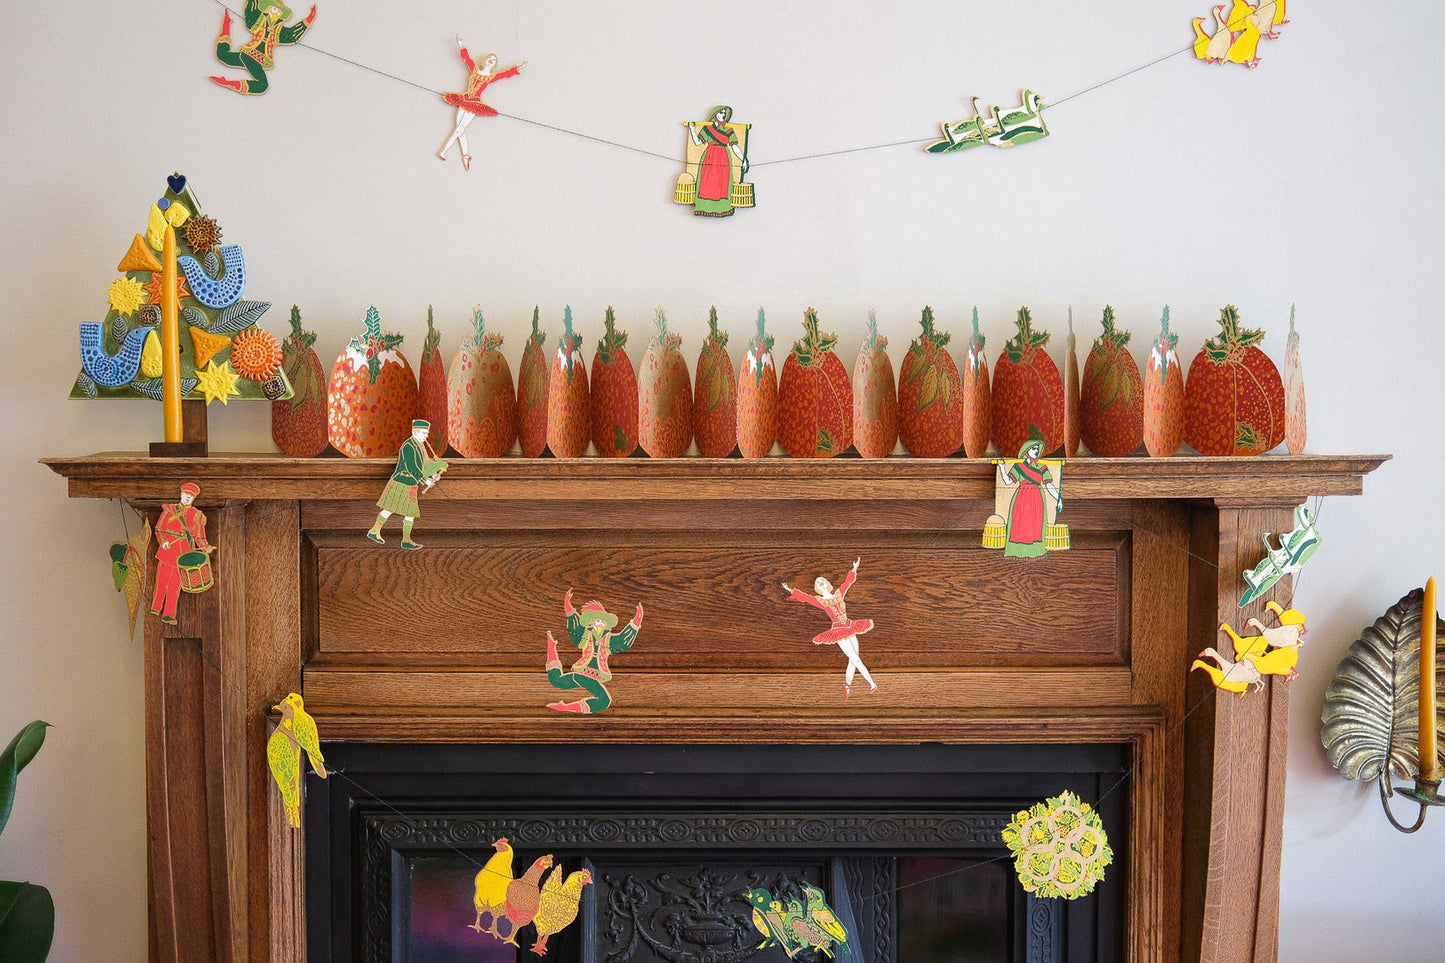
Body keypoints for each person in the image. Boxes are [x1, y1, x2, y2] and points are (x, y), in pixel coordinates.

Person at [783, 558, 877, 698]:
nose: (820, 582)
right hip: (838, 630)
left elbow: (848, 582)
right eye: (817, 583)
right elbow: (806, 597)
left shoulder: (838, 594)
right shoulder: (821, 601)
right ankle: (872, 683)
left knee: (853, 659)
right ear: (818, 588)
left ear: (827, 583)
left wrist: (854, 568)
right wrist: (790, 589)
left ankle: (847, 687)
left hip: (849, 626)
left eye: (822, 580)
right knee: (856, 659)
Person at [545, 589, 643, 714]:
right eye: (597, 621)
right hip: (582, 672)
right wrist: (568, 606)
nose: (600, 624)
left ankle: (566, 707)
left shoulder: (608, 639)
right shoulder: (586, 634)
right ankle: (551, 646)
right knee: (557, 681)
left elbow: (622, 641)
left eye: (602, 621)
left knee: (604, 701)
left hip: (595, 676)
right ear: (590, 622)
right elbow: (575, 630)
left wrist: (636, 622)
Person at [438, 37, 526, 170]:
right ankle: (466, 156)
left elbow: (505, 74)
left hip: (474, 104)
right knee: (459, 129)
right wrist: (461, 44)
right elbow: (467, 58)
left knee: (458, 129)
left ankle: (443, 151)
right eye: (490, 58)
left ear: (494, 65)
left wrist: (518, 67)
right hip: (464, 99)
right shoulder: (474, 70)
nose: (491, 60)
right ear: (485, 61)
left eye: (494, 60)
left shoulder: (491, 77)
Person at [367, 420, 447, 549]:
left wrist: (435, 472)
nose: (426, 436)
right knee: (390, 508)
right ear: (414, 431)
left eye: (426, 433)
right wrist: (425, 481)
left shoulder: (420, 445)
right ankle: (375, 531)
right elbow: (412, 468)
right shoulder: (408, 446)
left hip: (411, 484)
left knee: (409, 512)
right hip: (401, 482)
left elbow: (424, 465)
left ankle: (405, 540)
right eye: (423, 433)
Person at [209, 1, 317, 95]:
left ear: (281, 15)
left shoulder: (279, 31)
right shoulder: (259, 21)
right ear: (267, 9)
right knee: (262, 85)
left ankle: (227, 22)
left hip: (258, 60)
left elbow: (292, 35)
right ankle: (227, 82)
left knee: (223, 56)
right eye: (272, 9)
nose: (275, 12)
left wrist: (309, 18)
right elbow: (250, 13)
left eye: (278, 11)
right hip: (250, 55)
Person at [150, 483, 213, 625]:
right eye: (185, 494)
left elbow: (199, 536)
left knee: (175, 587)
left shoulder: (196, 516)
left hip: (183, 555)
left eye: (190, 496)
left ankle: (168, 615)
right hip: (167, 552)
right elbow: (160, 529)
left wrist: (205, 547)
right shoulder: (170, 510)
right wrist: (163, 541)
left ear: (194, 498)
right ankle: (156, 606)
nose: (187, 498)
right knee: (161, 580)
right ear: (181, 494)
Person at [998, 439, 1061, 559]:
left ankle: (1035, 552)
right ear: (1026, 451)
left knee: (1035, 526)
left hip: (1037, 497)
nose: (1036, 451)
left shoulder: (1042, 466)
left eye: (1037, 449)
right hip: (1022, 497)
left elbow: (1048, 484)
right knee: (1019, 524)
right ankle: (1017, 552)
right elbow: (1007, 481)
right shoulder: (1019, 466)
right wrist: (1002, 468)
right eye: (1033, 449)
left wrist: (1058, 498)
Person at [688, 106, 746, 216]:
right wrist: (692, 129)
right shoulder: (707, 129)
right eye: (721, 113)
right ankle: (704, 206)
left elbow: (734, 146)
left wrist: (744, 159)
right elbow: (697, 142)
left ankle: (722, 208)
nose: (723, 115)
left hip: (724, 158)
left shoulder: (728, 130)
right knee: (707, 182)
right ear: (714, 115)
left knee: (722, 184)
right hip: (710, 157)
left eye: (724, 113)